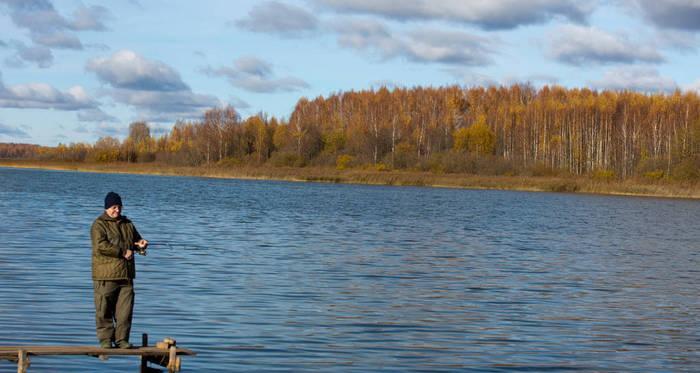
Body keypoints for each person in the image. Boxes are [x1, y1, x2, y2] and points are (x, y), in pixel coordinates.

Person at [90, 192, 148, 349]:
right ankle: (105, 340)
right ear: (107, 207)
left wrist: (141, 244)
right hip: (106, 275)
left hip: (126, 276)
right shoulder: (99, 224)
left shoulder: (128, 224)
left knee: (125, 312)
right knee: (104, 310)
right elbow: (101, 246)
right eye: (114, 207)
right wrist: (123, 252)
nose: (117, 210)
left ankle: (121, 340)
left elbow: (136, 241)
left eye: (119, 207)